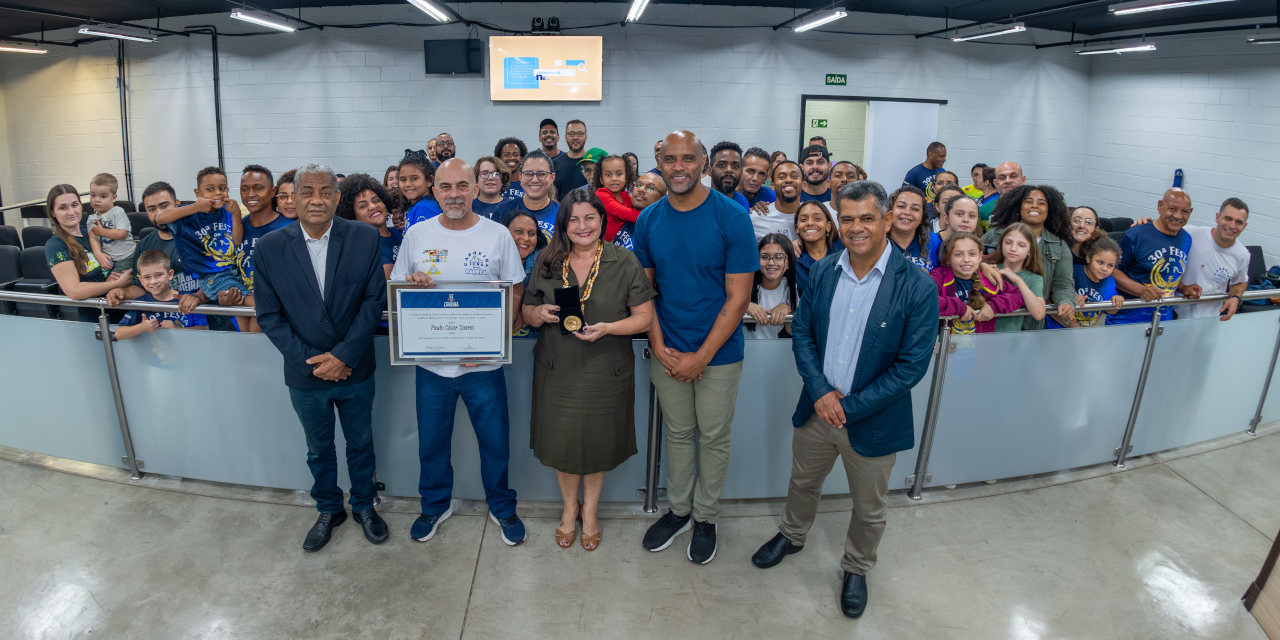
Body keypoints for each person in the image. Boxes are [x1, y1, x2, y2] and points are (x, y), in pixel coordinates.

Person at [752, 180, 936, 619]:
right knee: (803, 483)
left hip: (870, 419)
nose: (856, 228)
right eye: (848, 218)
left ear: (887, 220)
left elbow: (911, 366)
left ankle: (856, 567)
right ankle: (792, 535)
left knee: (869, 508)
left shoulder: (917, 285)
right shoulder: (824, 270)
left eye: (867, 218)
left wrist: (847, 407)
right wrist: (820, 392)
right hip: (817, 409)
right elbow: (803, 335)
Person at [390, 158, 528, 547]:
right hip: (432, 367)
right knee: (432, 443)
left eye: (462, 186)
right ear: (434, 191)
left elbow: (516, 289)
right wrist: (413, 284)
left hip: (483, 366)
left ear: (475, 188)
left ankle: (501, 506)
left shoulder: (498, 234)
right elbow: (399, 289)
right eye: (446, 187)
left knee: (495, 442)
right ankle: (435, 505)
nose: (454, 195)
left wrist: (497, 340)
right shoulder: (417, 235)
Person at [635, 130, 758, 565]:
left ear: (703, 163)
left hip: (718, 356)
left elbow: (738, 298)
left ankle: (706, 517)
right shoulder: (648, 220)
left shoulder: (731, 217)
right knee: (679, 434)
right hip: (666, 350)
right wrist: (661, 346)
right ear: (659, 162)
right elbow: (644, 294)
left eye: (688, 158)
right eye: (670, 159)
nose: (679, 167)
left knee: (714, 437)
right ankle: (680, 511)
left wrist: (701, 357)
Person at [253, 163, 389, 552]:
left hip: (356, 367)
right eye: (307, 191)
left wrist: (343, 355)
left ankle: (364, 505)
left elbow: (372, 302)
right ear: (292, 198)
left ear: (336, 197)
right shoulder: (270, 248)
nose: (317, 199)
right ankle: (329, 508)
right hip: (305, 373)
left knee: (361, 443)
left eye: (326, 191)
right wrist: (316, 361)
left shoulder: (363, 238)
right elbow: (270, 317)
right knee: (319, 448)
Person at [522, 189, 656, 551]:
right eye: (574, 219)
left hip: (605, 370)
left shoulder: (624, 261)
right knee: (562, 445)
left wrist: (609, 328)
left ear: (602, 220)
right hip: (557, 368)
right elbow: (527, 311)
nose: (582, 226)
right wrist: (541, 314)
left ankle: (591, 513)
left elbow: (645, 317)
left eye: (590, 218)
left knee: (599, 445)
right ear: (564, 223)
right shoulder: (547, 261)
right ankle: (570, 510)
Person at [153, 166, 253, 331]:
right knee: (256, 305)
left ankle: (248, 345)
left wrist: (235, 215)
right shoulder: (186, 216)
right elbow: (160, 218)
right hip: (214, 277)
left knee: (242, 313)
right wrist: (195, 207)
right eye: (210, 189)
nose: (218, 193)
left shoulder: (226, 213)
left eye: (222, 188)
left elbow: (236, 242)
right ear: (198, 194)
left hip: (234, 271)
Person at [982, 184, 1076, 329]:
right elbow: (973, 260)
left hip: (1031, 323)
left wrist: (1065, 302)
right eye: (1028, 201)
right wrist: (983, 265)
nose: (1034, 206)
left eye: (1041, 203)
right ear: (1018, 206)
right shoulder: (995, 234)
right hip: (993, 320)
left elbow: (1063, 283)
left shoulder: (1059, 245)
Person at [43, 185, 132, 321]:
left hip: (125, 310)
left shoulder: (92, 231)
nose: (71, 212)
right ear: (53, 212)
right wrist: (117, 284)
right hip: (97, 318)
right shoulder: (55, 245)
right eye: (63, 207)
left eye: (74, 205)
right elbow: (74, 291)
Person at [1109, 188, 1193, 325]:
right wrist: (1142, 290)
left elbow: (1169, 273)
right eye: (1172, 209)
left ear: (1190, 212)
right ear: (1160, 206)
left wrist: (1184, 288)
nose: (1178, 216)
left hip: (1164, 321)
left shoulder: (1186, 239)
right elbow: (1112, 271)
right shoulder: (1135, 235)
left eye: (1184, 211)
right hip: (1126, 321)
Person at [932, 232, 1024, 334]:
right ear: (948, 257)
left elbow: (1018, 295)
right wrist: (959, 307)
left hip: (980, 346)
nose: (966, 260)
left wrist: (993, 306)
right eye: (958, 254)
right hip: (945, 346)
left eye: (972, 254)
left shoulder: (988, 279)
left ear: (980, 257)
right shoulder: (940, 276)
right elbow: (925, 299)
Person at [114, 249, 209, 339]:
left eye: (158, 275)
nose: (153, 281)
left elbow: (204, 329)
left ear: (170, 274)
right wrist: (142, 327)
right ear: (141, 280)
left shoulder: (187, 299)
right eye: (147, 277)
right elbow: (119, 333)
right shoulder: (139, 303)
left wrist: (177, 330)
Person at [1180, 198, 1250, 320]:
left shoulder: (1242, 255)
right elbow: (1160, 229)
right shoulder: (1190, 233)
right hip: (1173, 314)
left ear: (1244, 226)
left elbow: (1240, 281)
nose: (1232, 226)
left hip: (1208, 320)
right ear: (1217, 217)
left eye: (1239, 222)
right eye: (1228, 219)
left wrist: (1236, 298)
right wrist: (1143, 223)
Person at [238, 165, 293, 315]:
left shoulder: (290, 229)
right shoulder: (239, 227)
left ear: (273, 192)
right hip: (241, 312)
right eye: (244, 189)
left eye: (258, 188)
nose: (250, 194)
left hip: (275, 315)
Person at [1047, 229, 1125, 329]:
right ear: (1088, 258)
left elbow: (1111, 311)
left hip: (1085, 333)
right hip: (1057, 329)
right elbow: (1050, 298)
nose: (1104, 269)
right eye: (1100, 262)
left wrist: (1117, 301)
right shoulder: (1073, 272)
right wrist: (1069, 298)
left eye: (1110, 265)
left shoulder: (1110, 282)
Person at [983, 223, 1046, 332]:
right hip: (982, 336)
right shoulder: (989, 269)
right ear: (1001, 244)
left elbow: (1039, 314)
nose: (1013, 248)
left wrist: (1018, 280)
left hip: (1012, 339)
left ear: (1030, 251)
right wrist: (981, 265)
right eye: (1008, 242)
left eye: (1021, 245)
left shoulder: (1034, 279)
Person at [336, 173, 401, 279]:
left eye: (376, 200)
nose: (373, 206)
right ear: (352, 215)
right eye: (363, 206)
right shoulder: (366, 246)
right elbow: (391, 285)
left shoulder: (401, 232)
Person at [85, 172, 137, 281]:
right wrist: (98, 254)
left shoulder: (117, 212)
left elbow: (122, 233)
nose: (97, 199)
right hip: (107, 258)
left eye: (103, 196)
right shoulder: (91, 218)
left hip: (126, 256)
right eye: (93, 195)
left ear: (114, 198)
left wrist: (101, 231)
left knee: (111, 283)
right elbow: (93, 237)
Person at [745, 233, 797, 340]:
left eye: (779, 257)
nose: (771, 262)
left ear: (788, 263)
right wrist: (744, 306)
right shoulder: (744, 286)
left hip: (774, 352)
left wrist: (787, 309)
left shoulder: (791, 288)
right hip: (744, 351)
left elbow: (794, 332)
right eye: (764, 257)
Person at [886, 186, 939, 272]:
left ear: (922, 216)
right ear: (889, 211)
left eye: (915, 209)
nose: (907, 212)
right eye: (901, 206)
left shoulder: (933, 241)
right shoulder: (876, 242)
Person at [792, 200, 838, 295]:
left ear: (828, 226)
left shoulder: (845, 251)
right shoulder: (792, 258)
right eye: (803, 219)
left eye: (817, 218)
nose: (810, 223)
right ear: (797, 228)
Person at [593, 154, 639, 244]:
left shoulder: (625, 196)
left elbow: (636, 207)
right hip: (608, 245)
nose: (614, 178)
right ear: (601, 179)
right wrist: (648, 216)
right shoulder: (601, 194)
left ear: (626, 177)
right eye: (608, 175)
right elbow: (623, 212)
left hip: (625, 242)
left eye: (619, 174)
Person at [754, 160, 802, 241]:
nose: (788, 180)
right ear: (773, 186)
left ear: (803, 184)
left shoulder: (812, 218)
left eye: (794, 176)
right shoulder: (755, 218)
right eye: (782, 177)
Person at [517, 150, 560, 239]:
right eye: (528, 174)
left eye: (541, 174)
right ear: (520, 177)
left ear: (552, 178)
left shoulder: (564, 213)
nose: (535, 180)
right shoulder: (503, 211)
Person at [620, 173, 666, 250]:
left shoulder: (660, 230)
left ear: (662, 198)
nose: (641, 189)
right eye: (638, 185)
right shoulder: (622, 216)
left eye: (651, 188)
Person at [399, 149, 443, 227]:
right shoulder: (417, 205)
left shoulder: (423, 208)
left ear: (429, 180)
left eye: (414, 178)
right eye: (403, 179)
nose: (407, 184)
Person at [505, 208, 547, 287]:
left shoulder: (546, 263)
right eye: (518, 231)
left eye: (531, 234)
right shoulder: (492, 260)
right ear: (504, 232)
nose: (526, 238)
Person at [472, 156, 518, 221]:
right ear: (476, 179)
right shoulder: (468, 207)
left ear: (503, 179)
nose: (490, 178)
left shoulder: (514, 206)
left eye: (496, 174)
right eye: (484, 173)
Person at [708, 141, 749, 211]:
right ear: (709, 171)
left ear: (741, 172)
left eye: (735, 166)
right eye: (722, 165)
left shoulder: (742, 201)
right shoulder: (699, 201)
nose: (729, 170)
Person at [553, 119, 589, 196]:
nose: (575, 137)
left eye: (580, 134)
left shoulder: (593, 162)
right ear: (565, 137)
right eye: (571, 134)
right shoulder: (555, 163)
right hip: (562, 208)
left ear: (586, 137)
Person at [738, 147, 777, 212]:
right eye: (750, 171)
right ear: (740, 171)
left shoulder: (770, 196)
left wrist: (766, 211)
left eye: (761, 174)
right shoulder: (728, 196)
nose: (755, 178)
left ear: (765, 179)